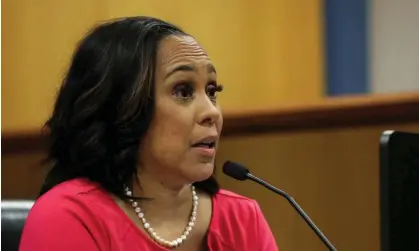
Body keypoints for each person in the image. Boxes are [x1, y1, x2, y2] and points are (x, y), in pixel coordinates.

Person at [19, 16, 278, 251]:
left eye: (212, 90)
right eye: (183, 91)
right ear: (122, 108)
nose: (211, 112)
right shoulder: (67, 217)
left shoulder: (243, 219)